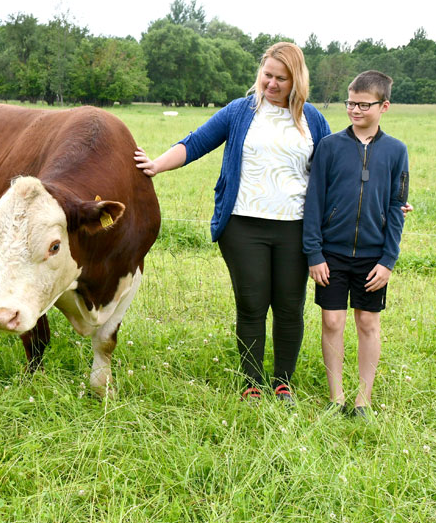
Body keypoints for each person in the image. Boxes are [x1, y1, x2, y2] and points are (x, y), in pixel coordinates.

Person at [134, 42, 330, 403]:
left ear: (296, 80)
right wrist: (156, 165)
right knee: (252, 304)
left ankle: (283, 382)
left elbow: (336, 166)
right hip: (243, 226)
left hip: (297, 227)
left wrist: (388, 198)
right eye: (266, 75)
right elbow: (195, 142)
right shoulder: (240, 112)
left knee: (289, 305)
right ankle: (251, 383)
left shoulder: (312, 119)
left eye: (280, 79)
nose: (271, 84)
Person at [302, 70, 409, 417]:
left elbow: (397, 206)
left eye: (364, 105)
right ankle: (336, 397)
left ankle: (363, 399)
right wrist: (314, 253)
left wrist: (388, 260)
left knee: (368, 323)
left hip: (373, 257)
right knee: (332, 321)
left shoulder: (396, 151)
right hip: (331, 254)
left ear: (384, 106)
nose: (355, 110)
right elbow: (314, 201)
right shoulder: (330, 146)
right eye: (351, 103)